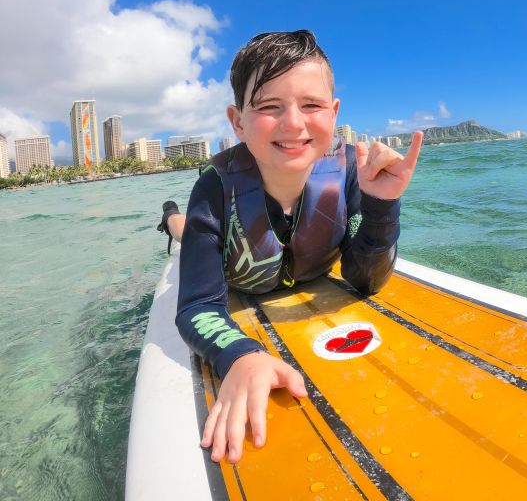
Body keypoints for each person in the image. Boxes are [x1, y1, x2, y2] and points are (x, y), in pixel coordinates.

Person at [160, 30, 423, 464]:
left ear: (334, 113)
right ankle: (169, 215)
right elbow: (196, 307)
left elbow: (364, 281)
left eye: (312, 105)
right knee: (185, 228)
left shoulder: (348, 174)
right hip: (230, 261)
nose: (294, 123)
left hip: (287, 264)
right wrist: (239, 356)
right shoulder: (215, 188)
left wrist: (382, 206)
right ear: (237, 121)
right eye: (268, 107)